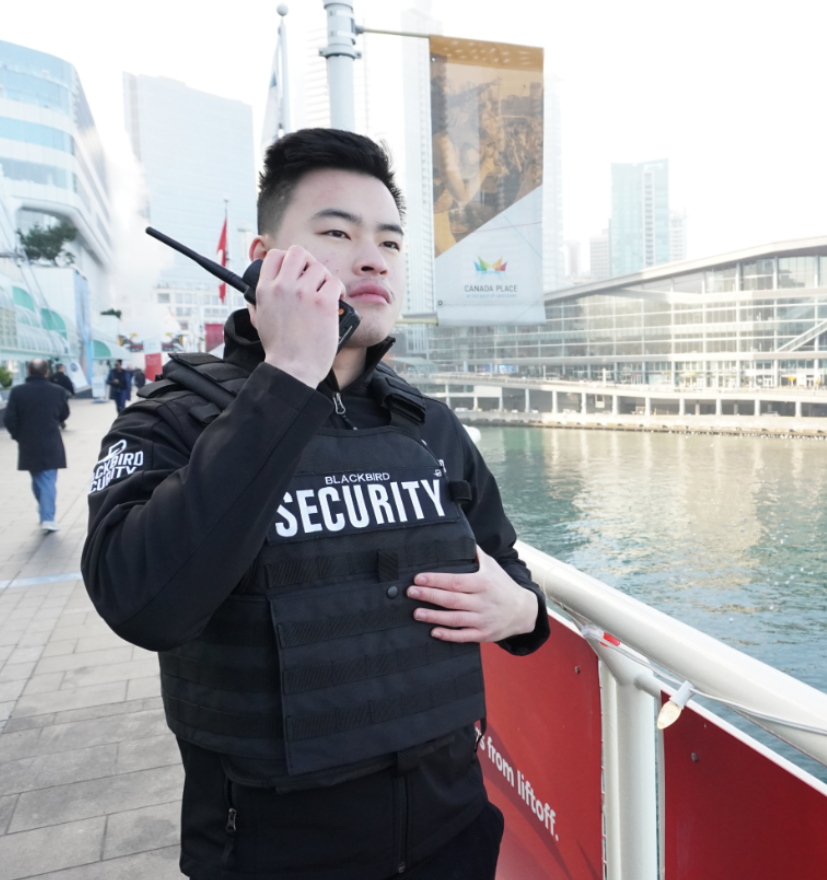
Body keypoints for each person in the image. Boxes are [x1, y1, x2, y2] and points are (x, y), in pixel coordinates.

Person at [81, 128, 550, 880]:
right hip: (269, 851)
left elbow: (517, 582)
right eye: (337, 232)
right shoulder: (175, 417)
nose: (372, 258)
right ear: (265, 261)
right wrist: (292, 372)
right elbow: (141, 602)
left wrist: (523, 613)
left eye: (390, 243)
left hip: (452, 832)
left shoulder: (427, 424)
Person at [5, 358, 69, 532]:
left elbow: (9, 418)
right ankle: (47, 516)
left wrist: (18, 435)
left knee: (37, 478)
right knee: (47, 479)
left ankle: (44, 511)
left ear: (29, 372)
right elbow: (64, 413)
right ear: (47, 372)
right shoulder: (57, 391)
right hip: (50, 440)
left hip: (28, 442)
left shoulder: (18, 392)